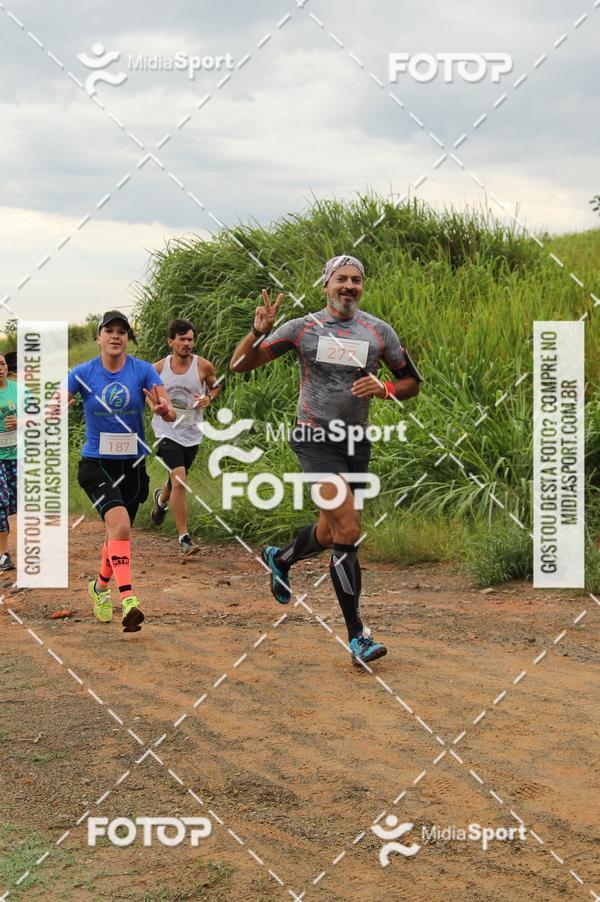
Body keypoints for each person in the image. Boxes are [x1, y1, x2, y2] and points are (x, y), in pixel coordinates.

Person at [230, 255, 422, 665]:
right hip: (313, 438)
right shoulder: (302, 328)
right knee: (348, 529)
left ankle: (281, 557)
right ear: (326, 285)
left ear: (362, 287)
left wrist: (385, 387)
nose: (349, 286)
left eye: (356, 280)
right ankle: (358, 636)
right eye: (341, 279)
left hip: (356, 441)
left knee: (331, 529)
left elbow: (411, 383)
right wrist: (256, 331)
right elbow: (240, 364)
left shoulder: (377, 331)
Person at [66, 310, 175, 632]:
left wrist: (164, 409)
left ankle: (98, 588)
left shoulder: (141, 370)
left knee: (117, 533)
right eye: (109, 331)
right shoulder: (82, 372)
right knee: (122, 527)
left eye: (122, 332)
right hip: (96, 464)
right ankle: (128, 599)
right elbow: (57, 401)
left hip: (133, 465)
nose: (115, 336)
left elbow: (166, 408)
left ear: (128, 339)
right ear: (98, 337)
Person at [150, 318, 220, 554]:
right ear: (171, 341)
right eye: (182, 339)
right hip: (165, 430)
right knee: (180, 479)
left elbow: (215, 386)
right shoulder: (158, 368)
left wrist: (208, 398)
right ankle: (184, 538)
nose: (187, 344)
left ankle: (161, 501)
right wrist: (155, 405)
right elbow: (147, 394)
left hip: (191, 432)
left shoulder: (203, 366)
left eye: (190, 339)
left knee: (175, 480)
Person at [0, 354, 18, 571]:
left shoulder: (18, 390)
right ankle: (3, 553)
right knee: (1, 500)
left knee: (13, 503)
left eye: (2, 364)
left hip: (16, 455)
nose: (0, 368)